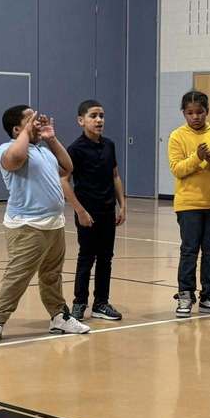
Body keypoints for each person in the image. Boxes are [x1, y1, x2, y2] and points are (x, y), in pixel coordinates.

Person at [0, 106, 90, 344]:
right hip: (27, 225)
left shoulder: (43, 151)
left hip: (54, 224)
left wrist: (51, 139)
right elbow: (15, 160)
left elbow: (67, 167)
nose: (37, 123)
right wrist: (26, 132)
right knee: (18, 275)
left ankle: (58, 316)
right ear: (16, 129)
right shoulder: (6, 149)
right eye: (30, 120)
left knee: (52, 275)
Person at [167, 90, 210, 318]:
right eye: (190, 113)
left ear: (207, 111)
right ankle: (186, 295)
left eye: (200, 112)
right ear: (184, 113)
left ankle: (209, 296)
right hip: (189, 205)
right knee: (189, 251)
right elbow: (177, 169)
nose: (195, 117)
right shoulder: (177, 136)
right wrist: (197, 157)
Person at [61, 99, 126, 322]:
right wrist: (79, 210)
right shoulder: (75, 149)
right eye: (93, 116)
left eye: (102, 116)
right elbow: (64, 180)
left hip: (108, 211)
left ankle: (101, 303)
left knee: (106, 258)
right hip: (87, 213)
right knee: (86, 257)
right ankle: (79, 302)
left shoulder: (109, 145)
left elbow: (115, 176)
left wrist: (122, 204)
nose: (99, 120)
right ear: (81, 120)